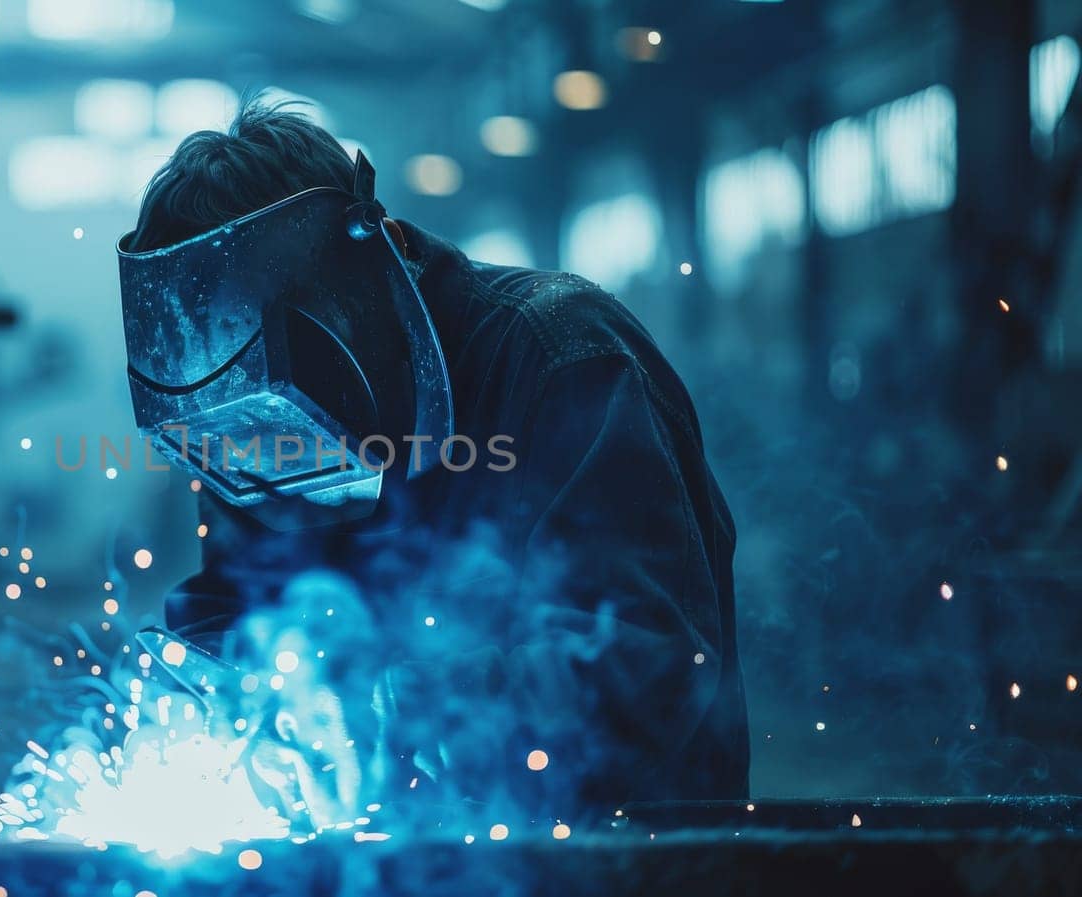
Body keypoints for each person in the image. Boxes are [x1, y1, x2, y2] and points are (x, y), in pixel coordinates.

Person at [115, 99, 747, 823]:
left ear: (360, 282)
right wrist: (210, 694)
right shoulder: (241, 420)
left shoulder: (559, 356)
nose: (274, 458)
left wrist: (405, 711)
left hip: (614, 857)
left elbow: (646, 660)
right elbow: (236, 602)